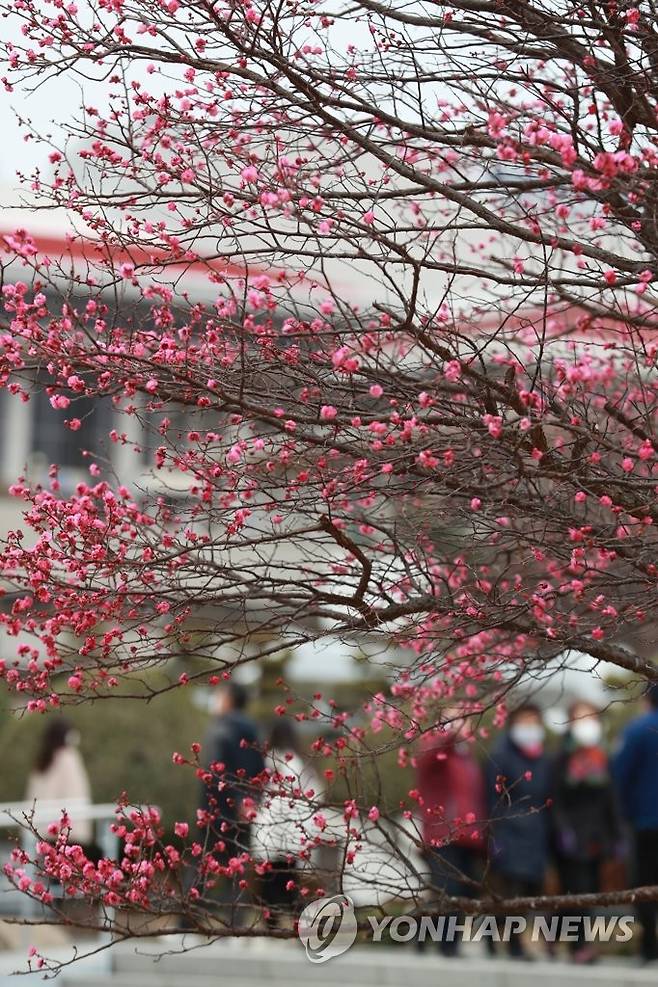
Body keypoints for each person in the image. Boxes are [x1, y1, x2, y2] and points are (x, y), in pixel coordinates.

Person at [552, 700, 622, 964]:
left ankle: (554, 934)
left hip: (597, 836)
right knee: (577, 890)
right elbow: (555, 798)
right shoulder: (561, 758)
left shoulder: (601, 757)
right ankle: (579, 946)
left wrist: (616, 835)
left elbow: (610, 799)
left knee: (587, 890)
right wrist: (561, 829)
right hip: (570, 834)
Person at [415, 706, 486, 957]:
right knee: (448, 890)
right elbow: (428, 757)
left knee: (457, 891)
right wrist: (449, 734)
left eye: (461, 720)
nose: (458, 725)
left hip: (469, 837)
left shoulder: (467, 759)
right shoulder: (435, 752)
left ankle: (422, 934)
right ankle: (447, 944)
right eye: (450, 720)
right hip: (443, 832)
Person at [486, 703, 552, 959]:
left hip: (536, 834)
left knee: (528, 891)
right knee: (509, 893)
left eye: (534, 721)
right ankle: (506, 943)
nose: (530, 728)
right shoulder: (501, 756)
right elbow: (492, 799)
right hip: (510, 832)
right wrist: (495, 834)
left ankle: (512, 941)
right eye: (524, 721)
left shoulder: (543, 758)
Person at [252, 719, 321, 929]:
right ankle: (298, 923)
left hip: (271, 835)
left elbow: (263, 799)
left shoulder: (269, 762)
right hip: (292, 837)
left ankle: (271, 925)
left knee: (269, 884)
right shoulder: (299, 763)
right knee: (290, 884)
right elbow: (314, 797)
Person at [613, 683, 658, 964]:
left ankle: (649, 946)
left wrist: (624, 815)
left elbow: (619, 775)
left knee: (644, 884)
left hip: (645, 822)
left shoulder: (637, 730)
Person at [201, 680, 265, 865]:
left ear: (228, 700)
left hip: (217, 811)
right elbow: (260, 770)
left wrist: (237, 800)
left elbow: (216, 769)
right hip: (245, 812)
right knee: (237, 868)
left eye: (219, 696)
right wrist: (251, 800)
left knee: (208, 869)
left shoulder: (221, 729)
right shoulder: (252, 729)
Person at [26, 718, 93, 846]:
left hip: (41, 829)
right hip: (66, 832)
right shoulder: (68, 757)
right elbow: (76, 794)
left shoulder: (43, 759)